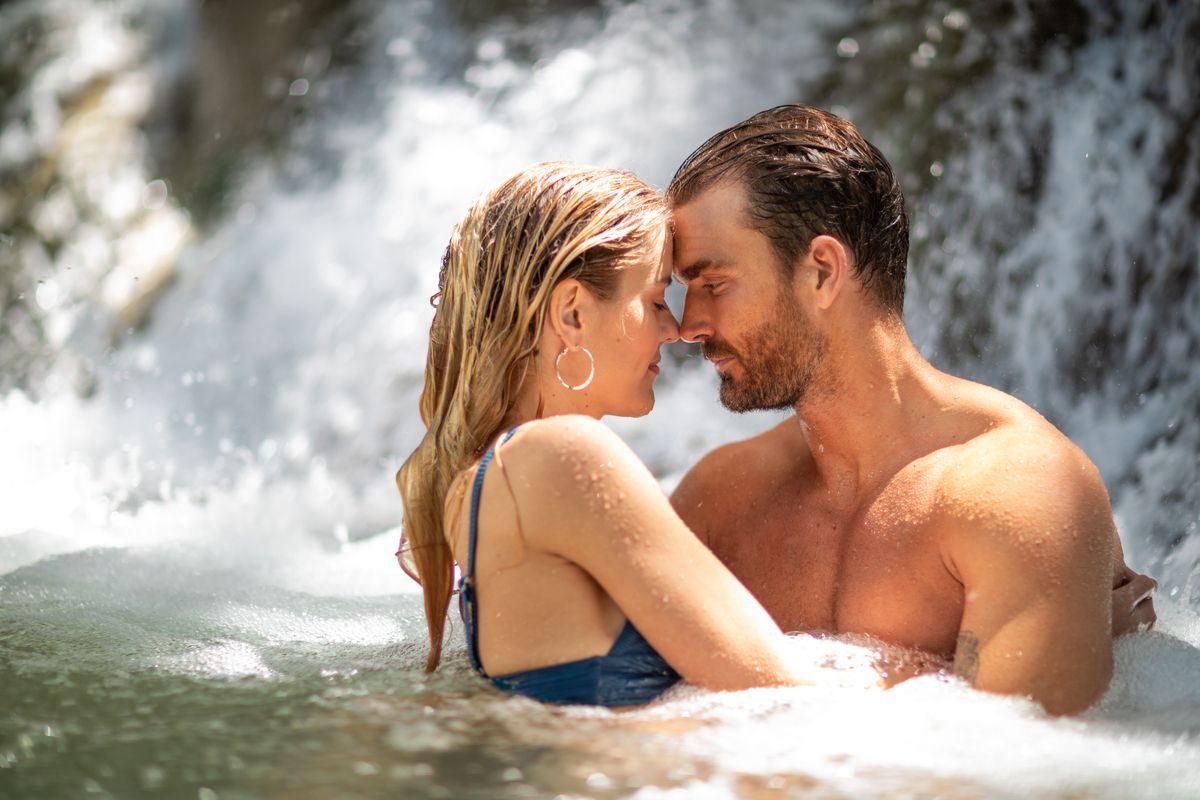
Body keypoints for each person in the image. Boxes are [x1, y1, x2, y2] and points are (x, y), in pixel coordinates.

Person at [665, 104, 1158, 716]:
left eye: (712, 284)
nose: (688, 326)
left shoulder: (1017, 494)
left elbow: (1015, 776)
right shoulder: (723, 500)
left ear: (821, 271)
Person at [394, 162, 863, 708]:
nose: (676, 329)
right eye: (656, 299)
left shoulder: (483, 481)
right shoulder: (562, 456)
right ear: (571, 314)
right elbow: (783, 694)